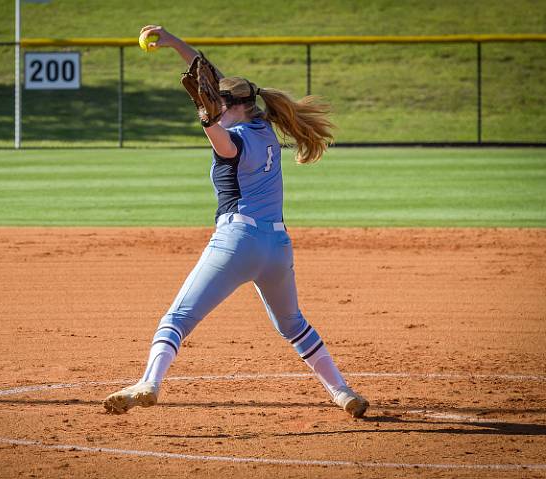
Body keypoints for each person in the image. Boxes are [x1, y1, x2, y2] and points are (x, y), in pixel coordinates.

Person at [103, 25, 369, 418]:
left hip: (236, 242)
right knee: (293, 325)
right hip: (277, 248)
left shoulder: (234, 134)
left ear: (232, 106)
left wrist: (207, 120)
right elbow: (207, 72)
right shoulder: (265, 127)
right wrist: (174, 41)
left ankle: (149, 383)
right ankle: (342, 391)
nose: (213, 101)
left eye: (218, 102)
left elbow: (225, 148)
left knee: (176, 319)